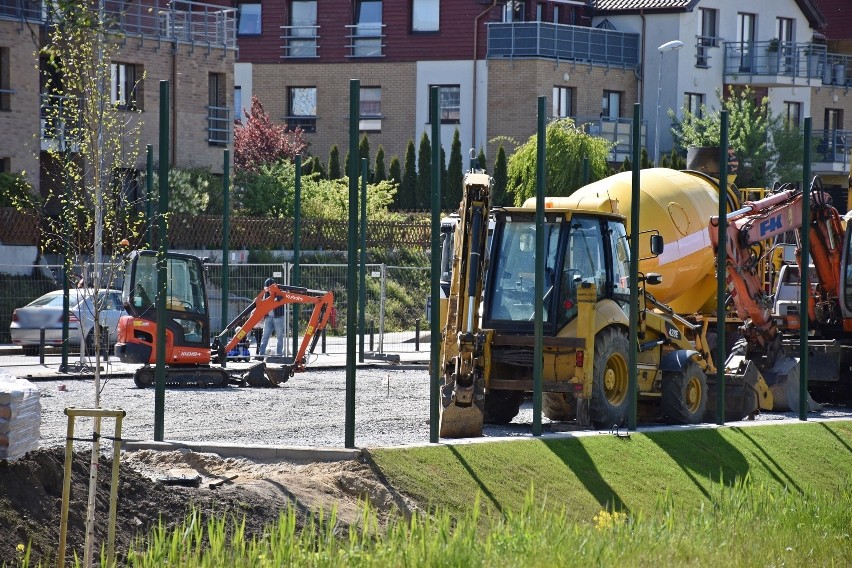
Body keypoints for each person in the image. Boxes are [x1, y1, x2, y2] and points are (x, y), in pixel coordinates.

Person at [258, 277, 287, 359]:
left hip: (278, 317)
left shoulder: (280, 292)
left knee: (279, 336)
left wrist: (277, 297)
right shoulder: (265, 294)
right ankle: (261, 354)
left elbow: (282, 297)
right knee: (265, 336)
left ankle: (279, 355)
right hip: (269, 317)